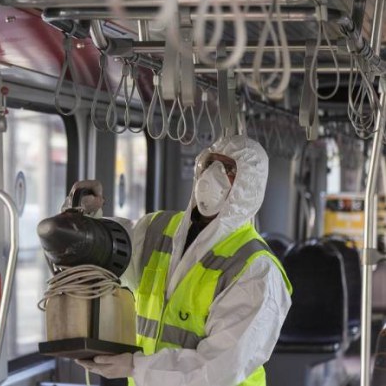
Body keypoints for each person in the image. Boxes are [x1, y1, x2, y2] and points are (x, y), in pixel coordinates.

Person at [70, 135, 292, 386]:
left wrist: (135, 366)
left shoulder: (256, 270)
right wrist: (82, 219)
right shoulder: (156, 229)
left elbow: (218, 368)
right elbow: (102, 256)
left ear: (248, 186)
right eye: (210, 163)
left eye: (228, 169)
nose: (213, 174)